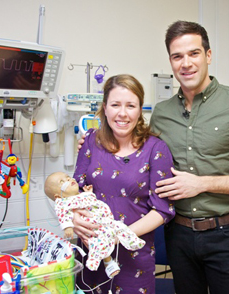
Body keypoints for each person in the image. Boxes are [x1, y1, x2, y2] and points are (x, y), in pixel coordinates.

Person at [149, 20, 229, 294]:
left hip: (225, 234)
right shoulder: (161, 113)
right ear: (170, 62)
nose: (186, 63)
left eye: (194, 53)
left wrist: (201, 183)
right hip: (177, 234)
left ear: (208, 55)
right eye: (177, 56)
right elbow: (140, 158)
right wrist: (95, 146)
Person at [72, 74, 175, 293]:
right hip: (90, 253)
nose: (122, 113)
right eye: (115, 104)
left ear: (140, 111)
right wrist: (75, 218)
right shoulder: (90, 141)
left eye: (130, 105)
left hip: (133, 259)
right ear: (105, 108)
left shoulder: (156, 150)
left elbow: (162, 210)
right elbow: (75, 191)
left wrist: (116, 236)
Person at [44, 172, 146, 279]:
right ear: (57, 196)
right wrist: (67, 227)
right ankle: (105, 262)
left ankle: (133, 242)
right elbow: (63, 214)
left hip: (106, 221)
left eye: (68, 177)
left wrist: (88, 192)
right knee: (99, 243)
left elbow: (90, 200)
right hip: (93, 228)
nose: (69, 180)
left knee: (121, 227)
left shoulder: (81, 195)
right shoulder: (63, 203)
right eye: (62, 182)